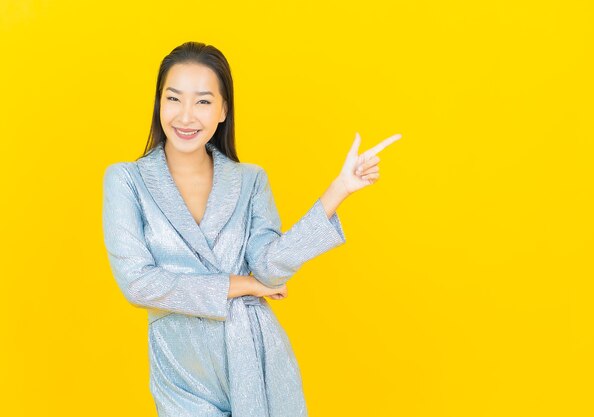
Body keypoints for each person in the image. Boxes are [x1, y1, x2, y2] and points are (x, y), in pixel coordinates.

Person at [102, 41, 401, 417]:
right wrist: (243, 285)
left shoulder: (250, 181)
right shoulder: (127, 180)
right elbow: (138, 283)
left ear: (224, 109)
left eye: (204, 102)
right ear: (159, 103)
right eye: (174, 98)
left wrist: (337, 191)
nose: (186, 116)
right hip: (181, 369)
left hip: (255, 357)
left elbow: (269, 268)